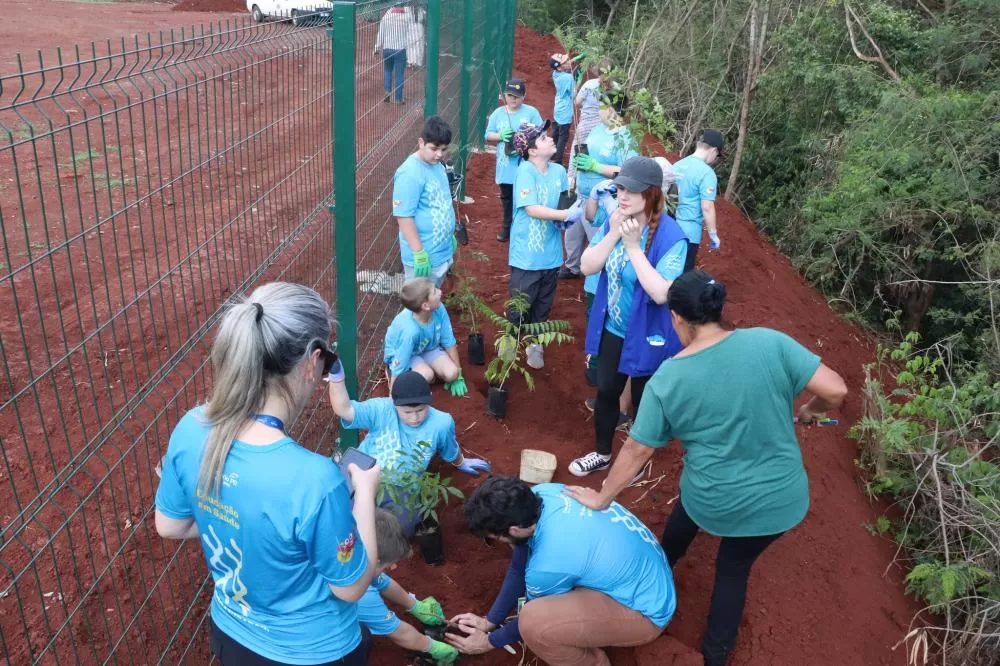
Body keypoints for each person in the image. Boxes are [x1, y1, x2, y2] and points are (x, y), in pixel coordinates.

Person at [567, 270, 849, 666]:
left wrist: (602, 499)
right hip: (782, 502)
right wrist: (810, 410)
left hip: (715, 498)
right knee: (733, 568)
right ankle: (715, 657)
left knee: (692, 504)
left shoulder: (669, 378)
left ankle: (660, 564)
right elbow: (835, 390)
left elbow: (636, 450)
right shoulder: (769, 341)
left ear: (677, 318)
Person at [154, 282, 380, 666]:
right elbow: (352, 586)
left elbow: (170, 525)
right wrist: (366, 494)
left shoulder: (191, 428)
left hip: (232, 635)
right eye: (328, 362)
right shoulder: (315, 480)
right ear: (312, 360)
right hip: (313, 653)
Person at [446, 477, 676, 666]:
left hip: (645, 613)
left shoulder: (548, 564)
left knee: (534, 624)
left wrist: (489, 642)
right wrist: (490, 621)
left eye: (497, 537)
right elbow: (518, 565)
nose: (499, 542)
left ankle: (595, 663)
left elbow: (528, 618)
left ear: (514, 530)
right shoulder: (544, 493)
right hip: (646, 577)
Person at [568, 157, 688, 480]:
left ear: (651, 194)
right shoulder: (616, 220)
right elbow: (587, 266)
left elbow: (661, 293)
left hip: (650, 335)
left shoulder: (671, 237)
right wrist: (613, 233)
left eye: (631, 191)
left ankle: (634, 463)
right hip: (613, 328)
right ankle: (603, 454)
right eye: (620, 188)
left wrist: (633, 247)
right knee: (607, 390)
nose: (622, 195)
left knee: (642, 402)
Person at [327, 368, 490, 535]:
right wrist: (336, 375)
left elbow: (449, 447)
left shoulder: (441, 423)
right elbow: (344, 409)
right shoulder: (382, 409)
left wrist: (461, 462)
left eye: (420, 410)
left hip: (401, 484)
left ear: (430, 399)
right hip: (362, 469)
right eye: (407, 412)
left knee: (402, 529)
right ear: (394, 403)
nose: (414, 418)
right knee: (337, 513)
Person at [507, 122, 584, 369]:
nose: (551, 139)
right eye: (542, 138)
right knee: (520, 305)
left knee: (543, 304)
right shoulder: (525, 172)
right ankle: (509, 342)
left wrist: (566, 215)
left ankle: (535, 343)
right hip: (526, 257)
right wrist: (565, 215)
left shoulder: (559, 171)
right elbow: (531, 208)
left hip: (551, 255)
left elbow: (563, 202)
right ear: (532, 151)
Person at [357, 509, 458, 665]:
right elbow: (400, 634)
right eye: (388, 564)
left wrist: (415, 605)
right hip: (320, 642)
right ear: (374, 561)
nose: (393, 567)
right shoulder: (362, 594)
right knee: (361, 641)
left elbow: (383, 582)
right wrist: (432, 647)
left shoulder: (354, 555)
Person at [560, 91, 637, 280]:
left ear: (611, 109)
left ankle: (596, 278)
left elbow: (629, 172)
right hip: (581, 194)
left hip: (602, 201)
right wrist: (579, 166)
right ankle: (572, 266)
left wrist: (596, 167)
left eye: (601, 106)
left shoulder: (626, 138)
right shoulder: (598, 129)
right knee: (572, 235)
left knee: (597, 239)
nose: (597, 110)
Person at [392, 116, 456, 286]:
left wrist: (448, 236)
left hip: (441, 253)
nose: (439, 154)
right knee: (420, 300)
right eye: (434, 148)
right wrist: (419, 253)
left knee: (433, 296)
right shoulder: (409, 173)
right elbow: (404, 217)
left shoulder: (437, 165)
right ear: (421, 142)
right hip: (424, 259)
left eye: (443, 149)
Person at [484, 79, 543, 242]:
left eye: (517, 96)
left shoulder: (531, 113)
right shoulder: (498, 114)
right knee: (507, 197)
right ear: (504, 95)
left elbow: (541, 133)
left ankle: (524, 227)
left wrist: (527, 141)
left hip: (525, 165)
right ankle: (507, 226)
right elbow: (487, 135)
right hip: (505, 168)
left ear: (524, 96)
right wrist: (500, 135)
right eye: (510, 95)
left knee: (526, 196)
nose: (513, 99)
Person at [383, 278, 465, 394]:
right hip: (405, 354)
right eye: (435, 291)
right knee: (427, 375)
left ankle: (426, 368)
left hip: (427, 348)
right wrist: (394, 393)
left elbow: (449, 341)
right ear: (426, 306)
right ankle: (390, 370)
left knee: (452, 373)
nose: (440, 291)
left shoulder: (439, 308)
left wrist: (458, 375)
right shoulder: (409, 331)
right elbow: (400, 362)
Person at [672, 128, 725, 272]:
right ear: (713, 150)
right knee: (682, 276)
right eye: (717, 155)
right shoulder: (707, 173)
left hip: (669, 227)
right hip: (689, 234)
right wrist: (713, 234)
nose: (715, 159)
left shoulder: (677, 165)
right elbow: (707, 207)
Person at [375, 2, 414, 104]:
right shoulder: (408, 17)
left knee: (387, 70)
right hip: (400, 50)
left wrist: (377, 47)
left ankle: (387, 92)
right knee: (399, 74)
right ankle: (398, 99)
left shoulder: (386, 16)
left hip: (387, 49)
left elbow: (380, 33)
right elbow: (411, 35)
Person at [549, 53, 576, 166]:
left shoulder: (555, 73)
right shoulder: (568, 78)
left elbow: (565, 71)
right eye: (565, 62)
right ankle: (558, 162)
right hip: (566, 111)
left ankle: (552, 155)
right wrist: (577, 80)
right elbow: (574, 95)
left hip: (558, 109)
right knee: (562, 137)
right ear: (559, 67)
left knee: (556, 133)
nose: (569, 62)